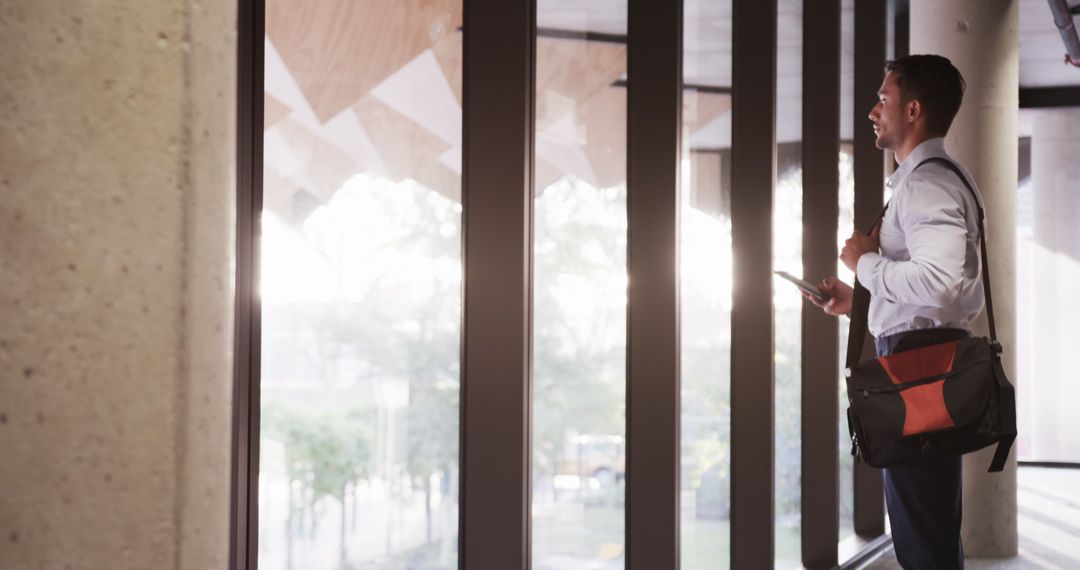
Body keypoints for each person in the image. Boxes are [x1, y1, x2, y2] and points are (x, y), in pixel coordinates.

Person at [806, 54, 986, 570]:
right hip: (923, 360)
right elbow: (935, 292)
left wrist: (866, 266)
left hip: (918, 370)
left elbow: (941, 282)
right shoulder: (933, 178)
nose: (872, 111)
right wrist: (858, 300)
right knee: (925, 524)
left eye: (882, 100)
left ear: (912, 110)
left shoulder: (927, 183)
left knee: (921, 531)